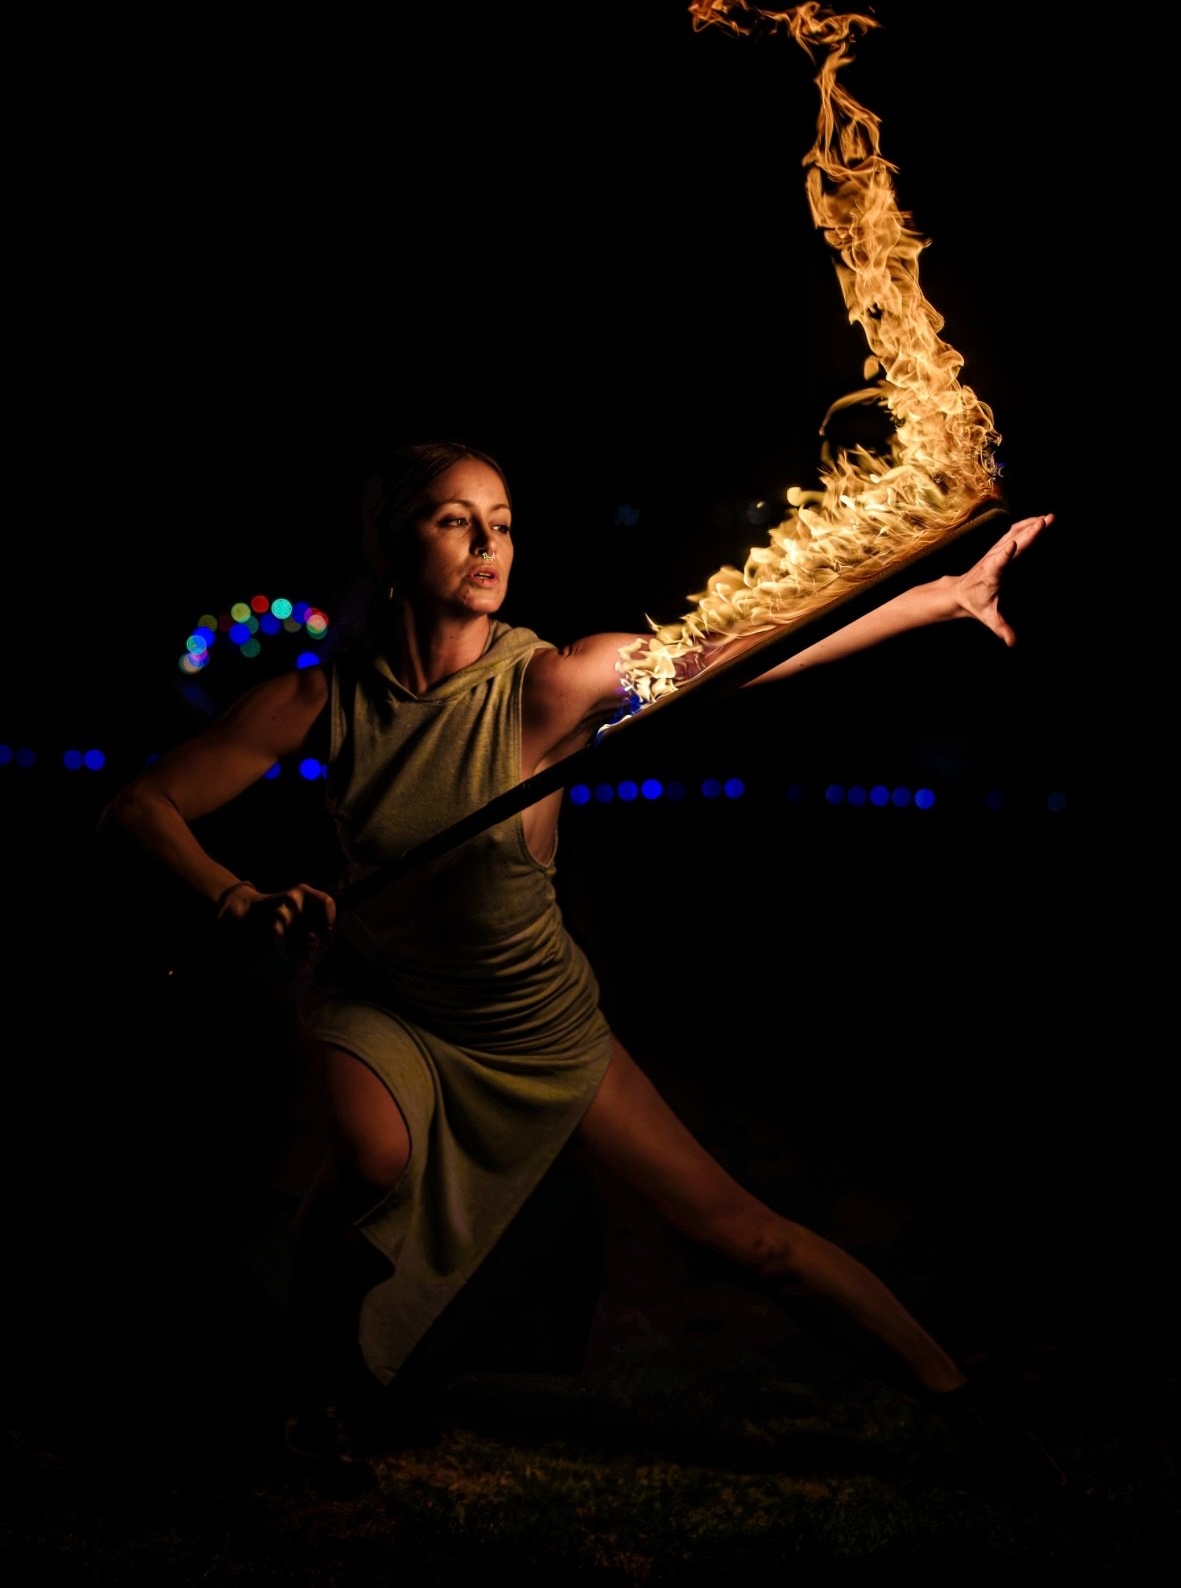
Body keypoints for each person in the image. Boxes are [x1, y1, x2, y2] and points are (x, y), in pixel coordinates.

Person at [98, 440, 1065, 1490]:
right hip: (387, 998)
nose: (488, 541)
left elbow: (753, 645)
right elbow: (141, 807)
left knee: (737, 1236)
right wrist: (236, 896)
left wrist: (935, 598)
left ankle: (965, 1401)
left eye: (503, 521)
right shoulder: (321, 697)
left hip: (536, 1022)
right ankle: (318, 1380)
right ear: (388, 543)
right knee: (373, 1160)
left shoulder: (553, 683)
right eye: (454, 518)